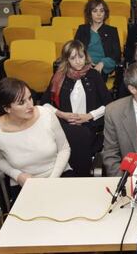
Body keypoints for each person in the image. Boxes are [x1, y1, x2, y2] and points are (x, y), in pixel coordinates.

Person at [0, 78, 72, 199]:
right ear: (7, 108)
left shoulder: (46, 114)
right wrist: (17, 175)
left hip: (58, 174)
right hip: (24, 183)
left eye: (30, 98)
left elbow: (64, 148)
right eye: (21, 102)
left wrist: (52, 180)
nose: (30, 105)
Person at [41, 40, 112, 177]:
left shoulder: (94, 75)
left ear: (86, 56)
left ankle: (80, 177)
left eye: (81, 56)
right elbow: (44, 104)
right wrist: (61, 114)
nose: (78, 61)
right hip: (64, 127)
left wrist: (89, 116)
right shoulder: (58, 77)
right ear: (67, 59)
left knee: (81, 138)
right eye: (73, 58)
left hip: (90, 127)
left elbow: (109, 104)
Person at [75, 0, 121, 81]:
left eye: (101, 11)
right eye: (95, 11)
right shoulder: (82, 29)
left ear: (105, 13)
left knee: (93, 77)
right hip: (83, 64)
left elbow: (116, 54)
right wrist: (86, 62)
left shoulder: (112, 31)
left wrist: (102, 63)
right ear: (90, 14)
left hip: (103, 67)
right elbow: (75, 49)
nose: (99, 14)